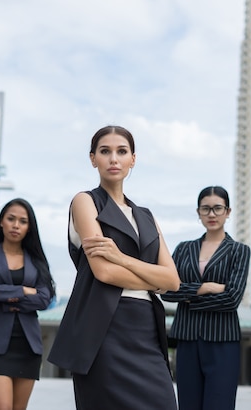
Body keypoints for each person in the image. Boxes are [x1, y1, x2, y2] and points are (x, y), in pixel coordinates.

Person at [48, 125, 181, 410]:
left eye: (122, 151)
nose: (113, 159)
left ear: (133, 159)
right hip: (103, 329)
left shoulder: (145, 215)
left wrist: (121, 258)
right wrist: (152, 277)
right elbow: (103, 273)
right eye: (105, 151)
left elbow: (173, 281)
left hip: (145, 328)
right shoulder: (85, 201)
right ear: (92, 158)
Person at [161, 185, 250, 410]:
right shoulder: (183, 249)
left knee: (219, 405)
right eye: (206, 209)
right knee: (188, 405)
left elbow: (232, 299)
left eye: (218, 208)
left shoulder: (239, 251)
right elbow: (167, 291)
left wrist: (187, 297)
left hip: (222, 341)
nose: (212, 214)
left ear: (228, 212)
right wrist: (205, 288)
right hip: (188, 339)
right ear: (198, 212)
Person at [0, 198, 56, 410]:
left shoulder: (36, 261)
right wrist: (22, 290)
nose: (16, 225)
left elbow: (44, 299)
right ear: (2, 222)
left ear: (29, 227)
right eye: (11, 219)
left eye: (22, 221)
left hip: (28, 345)